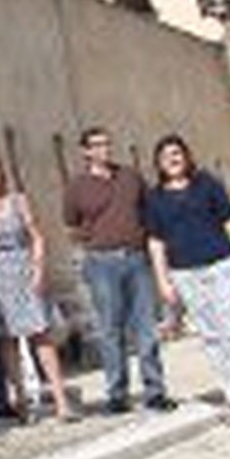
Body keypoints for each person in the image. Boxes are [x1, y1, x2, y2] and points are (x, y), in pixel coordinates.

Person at [144, 134, 230, 426]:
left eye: (177, 153)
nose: (173, 159)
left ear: (186, 156)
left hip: (220, 264)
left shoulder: (207, 184)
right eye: (166, 156)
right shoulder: (155, 198)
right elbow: (156, 241)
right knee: (210, 335)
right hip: (184, 272)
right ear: (159, 164)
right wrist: (162, 280)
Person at [63, 126, 176, 414]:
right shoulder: (77, 186)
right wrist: (93, 245)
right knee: (110, 330)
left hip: (136, 258)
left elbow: (148, 210)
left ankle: (155, 390)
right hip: (101, 261)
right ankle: (117, 394)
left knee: (146, 328)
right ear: (86, 151)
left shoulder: (130, 177)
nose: (104, 150)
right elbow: (71, 224)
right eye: (97, 145)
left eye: (106, 144)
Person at [0, 150, 76, 423]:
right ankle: (22, 401)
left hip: (24, 271)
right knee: (8, 341)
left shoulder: (18, 201)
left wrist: (39, 270)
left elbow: (37, 237)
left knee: (41, 336)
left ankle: (61, 400)